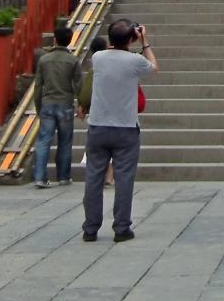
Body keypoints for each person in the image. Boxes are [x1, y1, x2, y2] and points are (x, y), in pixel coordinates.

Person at [82, 19, 158, 242]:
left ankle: (90, 228)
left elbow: (111, 48)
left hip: (98, 126)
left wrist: (125, 36)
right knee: (124, 179)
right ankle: (121, 227)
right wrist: (144, 42)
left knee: (93, 178)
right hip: (125, 128)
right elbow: (154, 66)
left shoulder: (98, 58)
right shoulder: (135, 61)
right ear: (131, 39)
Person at [34, 24, 82, 188]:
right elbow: (79, 85)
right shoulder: (73, 60)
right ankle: (63, 176)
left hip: (47, 103)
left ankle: (40, 177)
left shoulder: (44, 60)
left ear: (55, 39)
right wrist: (81, 104)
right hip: (65, 103)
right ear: (69, 41)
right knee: (65, 141)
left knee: (44, 140)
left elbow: (38, 86)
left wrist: (38, 107)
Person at [77, 35, 113, 186]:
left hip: (99, 114)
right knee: (114, 146)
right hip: (118, 113)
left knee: (98, 146)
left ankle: (100, 174)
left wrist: (83, 105)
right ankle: (110, 176)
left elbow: (87, 93)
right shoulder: (115, 66)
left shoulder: (95, 69)